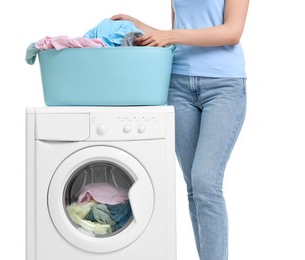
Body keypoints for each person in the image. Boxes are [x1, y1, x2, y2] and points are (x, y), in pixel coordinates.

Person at [112, 0, 249, 259]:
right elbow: (181, 32)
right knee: (194, 189)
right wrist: (139, 25)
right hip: (178, 85)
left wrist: (170, 35)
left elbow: (232, 32)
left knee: (206, 182)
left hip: (223, 86)